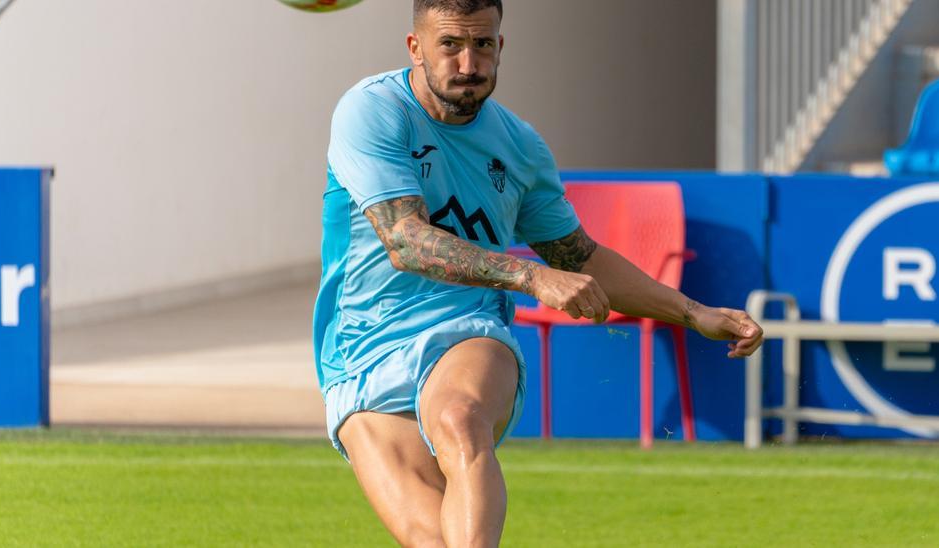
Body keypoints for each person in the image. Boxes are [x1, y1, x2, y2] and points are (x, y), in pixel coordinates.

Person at [313, 0, 765, 545]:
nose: (467, 63)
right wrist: (531, 278)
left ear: (501, 47)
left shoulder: (520, 146)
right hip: (360, 352)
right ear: (416, 47)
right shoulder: (372, 110)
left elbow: (579, 257)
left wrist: (693, 312)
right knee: (428, 537)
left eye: (482, 44)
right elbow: (406, 242)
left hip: (466, 331)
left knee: (460, 420)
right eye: (450, 45)